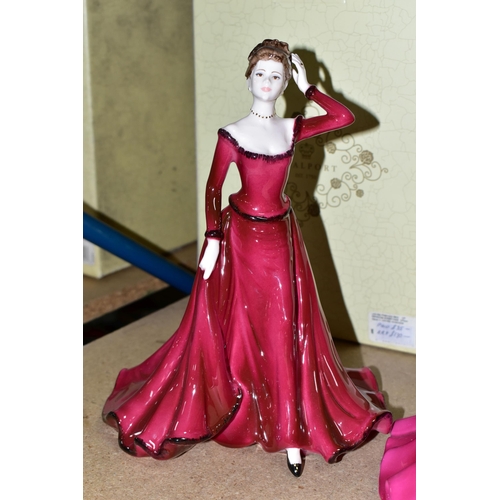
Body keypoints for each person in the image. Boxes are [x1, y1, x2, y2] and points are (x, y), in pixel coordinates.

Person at [103, 39, 392, 478]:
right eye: (260, 74)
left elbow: (342, 118)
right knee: (237, 320)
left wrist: (310, 87)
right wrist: (213, 236)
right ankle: (247, 403)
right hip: (240, 234)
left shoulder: (291, 129)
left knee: (284, 323)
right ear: (249, 78)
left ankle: (290, 430)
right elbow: (213, 188)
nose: (267, 82)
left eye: (276, 76)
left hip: (281, 235)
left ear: (284, 82)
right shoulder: (232, 134)